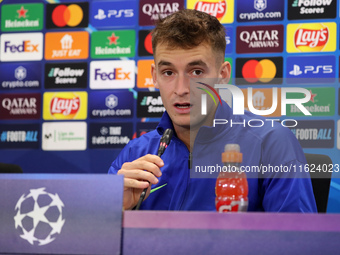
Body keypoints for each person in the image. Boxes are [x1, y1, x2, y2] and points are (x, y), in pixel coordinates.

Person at [108, 9, 317, 212]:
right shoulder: (135, 154)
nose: (181, 89)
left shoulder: (271, 143)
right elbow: (94, 239)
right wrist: (117, 210)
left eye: (197, 71)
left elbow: (299, 242)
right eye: (168, 72)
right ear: (154, 76)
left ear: (222, 74)